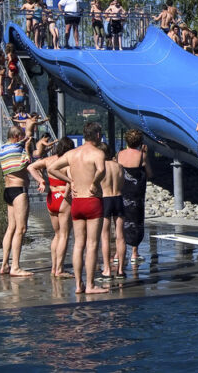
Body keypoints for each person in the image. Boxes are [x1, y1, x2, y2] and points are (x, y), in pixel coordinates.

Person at [47, 122, 108, 294]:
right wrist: (95, 183)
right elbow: (101, 170)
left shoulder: (72, 154)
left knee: (78, 243)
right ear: (97, 135)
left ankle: (79, 285)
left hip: (76, 202)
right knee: (92, 243)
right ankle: (90, 285)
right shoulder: (98, 153)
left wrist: (70, 181)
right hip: (91, 200)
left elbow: (52, 168)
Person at [28, 138, 74, 278]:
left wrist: (40, 180)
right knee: (64, 235)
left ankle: (54, 268)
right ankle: (59, 269)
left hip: (51, 197)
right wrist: (67, 195)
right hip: (62, 197)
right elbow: (70, 182)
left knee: (57, 234)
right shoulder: (67, 162)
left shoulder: (49, 160)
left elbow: (31, 167)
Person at [0, 126, 33, 277]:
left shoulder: (4, 148)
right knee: (21, 229)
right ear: (17, 136)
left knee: (11, 228)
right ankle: (15, 267)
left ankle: (5, 264)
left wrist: (24, 142)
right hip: (19, 190)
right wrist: (27, 147)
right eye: (22, 136)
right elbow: (27, 163)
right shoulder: (18, 149)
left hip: (8, 190)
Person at [117, 129, 153, 267]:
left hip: (122, 190)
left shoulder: (119, 154)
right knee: (136, 221)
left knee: (121, 220)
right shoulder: (141, 156)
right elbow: (149, 173)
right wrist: (146, 155)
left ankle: (118, 253)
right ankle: (134, 252)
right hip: (136, 193)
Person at [97, 142, 126, 281]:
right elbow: (122, 184)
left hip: (105, 198)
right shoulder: (119, 167)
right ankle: (120, 269)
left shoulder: (100, 167)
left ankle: (107, 269)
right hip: (118, 198)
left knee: (105, 236)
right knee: (120, 236)